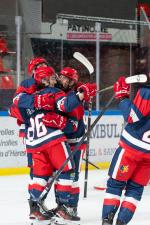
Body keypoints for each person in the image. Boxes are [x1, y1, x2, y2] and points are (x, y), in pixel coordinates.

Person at [10, 66, 97, 223]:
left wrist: (63, 118)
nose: (57, 79)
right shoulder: (52, 93)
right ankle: (62, 208)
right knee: (66, 172)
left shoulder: (32, 96)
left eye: (62, 77)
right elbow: (64, 105)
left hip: (38, 143)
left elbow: (14, 109)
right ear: (44, 80)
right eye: (55, 77)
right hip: (53, 141)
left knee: (43, 176)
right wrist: (80, 96)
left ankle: (38, 208)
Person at [45, 67, 94, 220]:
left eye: (66, 78)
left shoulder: (73, 99)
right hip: (62, 143)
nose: (62, 79)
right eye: (61, 76)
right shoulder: (60, 94)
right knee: (61, 176)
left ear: (72, 82)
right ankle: (61, 206)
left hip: (75, 144)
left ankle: (71, 208)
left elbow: (71, 126)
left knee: (72, 177)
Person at [101, 75, 150, 225]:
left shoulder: (146, 92)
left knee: (115, 184)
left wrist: (122, 97)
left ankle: (107, 221)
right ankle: (122, 222)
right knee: (135, 189)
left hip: (131, 149)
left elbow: (132, 116)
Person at [9, 57, 49, 220]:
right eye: (39, 66)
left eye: (44, 65)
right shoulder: (27, 84)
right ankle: (34, 203)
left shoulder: (48, 82)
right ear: (33, 70)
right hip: (31, 131)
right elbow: (15, 105)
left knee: (46, 168)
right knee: (36, 168)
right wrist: (36, 102)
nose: (42, 68)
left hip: (46, 131)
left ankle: (38, 202)